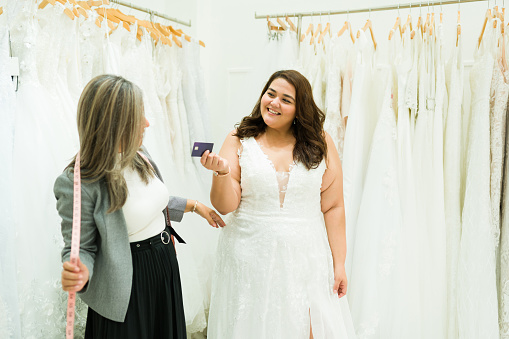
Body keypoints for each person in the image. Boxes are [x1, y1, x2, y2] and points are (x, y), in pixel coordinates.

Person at [54, 74, 225, 338]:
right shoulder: (77, 182)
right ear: (115, 124)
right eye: (138, 117)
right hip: (127, 285)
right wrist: (80, 270)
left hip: (163, 266)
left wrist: (193, 206)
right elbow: (80, 248)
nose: (147, 123)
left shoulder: (141, 155)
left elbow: (150, 203)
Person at [200, 70, 356, 338]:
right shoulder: (239, 138)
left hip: (307, 258)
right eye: (270, 94)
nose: (273, 103)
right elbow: (225, 205)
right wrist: (221, 174)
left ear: (300, 109)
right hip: (249, 255)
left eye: (285, 99)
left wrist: (339, 263)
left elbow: (333, 206)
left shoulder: (321, 142)